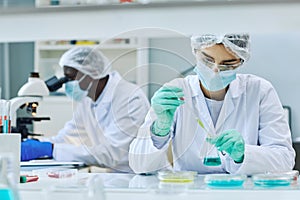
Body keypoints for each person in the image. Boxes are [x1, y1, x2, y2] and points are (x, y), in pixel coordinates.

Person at [129, 33, 295, 175]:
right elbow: (139, 165)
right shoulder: (176, 91)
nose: (215, 70)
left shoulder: (259, 91)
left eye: (227, 64)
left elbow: (285, 160)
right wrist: (159, 129)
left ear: (241, 61)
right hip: (190, 193)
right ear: (195, 51)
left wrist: (243, 155)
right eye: (208, 60)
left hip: (242, 193)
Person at [21, 46, 150, 172]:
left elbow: (112, 153)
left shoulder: (129, 99)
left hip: (140, 176)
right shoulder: (87, 101)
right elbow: (68, 137)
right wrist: (38, 144)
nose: (67, 84)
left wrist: (51, 149)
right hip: (115, 174)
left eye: (70, 78)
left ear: (92, 73)